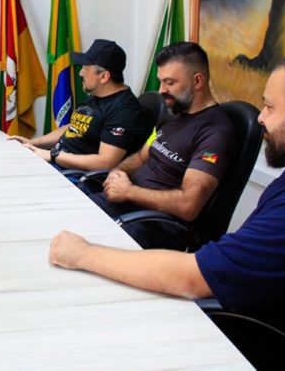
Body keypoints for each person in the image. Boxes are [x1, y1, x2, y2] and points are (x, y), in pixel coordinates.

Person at [49, 50, 285, 367]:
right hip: (232, 296)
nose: (261, 118)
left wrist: (83, 254)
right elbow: (143, 156)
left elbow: (193, 276)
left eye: (269, 106)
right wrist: (119, 175)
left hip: (248, 339)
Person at [93, 42, 235, 249]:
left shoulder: (215, 132)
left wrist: (129, 191)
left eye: (170, 83)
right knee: (67, 213)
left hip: (156, 226)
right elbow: (141, 157)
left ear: (197, 81)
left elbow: (188, 206)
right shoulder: (172, 113)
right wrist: (118, 171)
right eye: (161, 82)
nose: (161, 90)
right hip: (126, 205)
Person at [9, 39, 152, 171]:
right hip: (57, 163)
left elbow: (106, 162)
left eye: (86, 68)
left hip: (75, 176)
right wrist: (33, 143)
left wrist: (53, 155)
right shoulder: (97, 95)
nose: (81, 73)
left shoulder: (124, 110)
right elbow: (73, 128)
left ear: (104, 76)